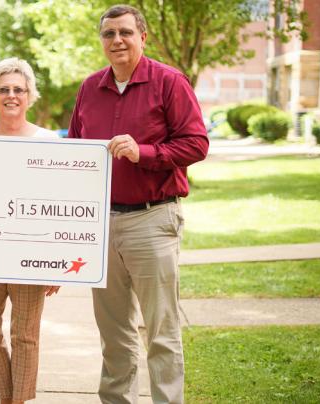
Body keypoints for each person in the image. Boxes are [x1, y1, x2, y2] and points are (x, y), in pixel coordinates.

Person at [68, 5, 209, 403]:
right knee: (113, 333)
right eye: (109, 34)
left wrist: (143, 152)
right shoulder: (89, 88)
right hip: (102, 224)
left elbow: (197, 143)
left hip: (152, 219)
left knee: (161, 331)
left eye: (125, 32)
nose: (117, 41)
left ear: (142, 37)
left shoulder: (169, 82)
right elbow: (76, 151)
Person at [0, 57, 60, 404]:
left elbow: (58, 204)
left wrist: (56, 261)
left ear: (30, 95)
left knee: (25, 335)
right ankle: (9, 396)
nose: (11, 95)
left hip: (30, 254)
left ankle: (16, 401)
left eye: (18, 89)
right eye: (4, 89)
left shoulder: (48, 141)